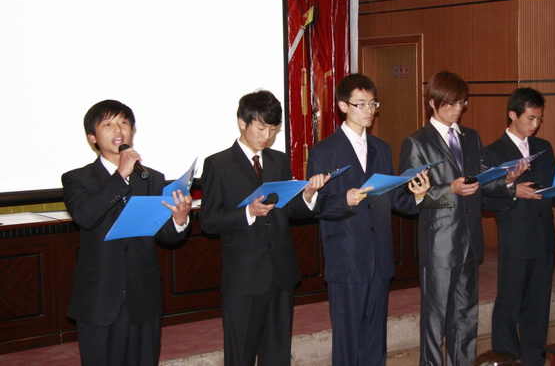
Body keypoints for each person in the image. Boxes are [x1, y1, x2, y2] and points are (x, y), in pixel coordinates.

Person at [306, 73, 430, 366]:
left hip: (379, 256)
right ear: (343, 106)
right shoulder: (324, 150)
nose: (369, 110)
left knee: (375, 340)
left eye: (373, 103)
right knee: (348, 342)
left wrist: (418, 196)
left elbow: (395, 199)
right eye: (361, 104)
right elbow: (315, 205)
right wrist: (343, 199)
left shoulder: (381, 148)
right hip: (347, 258)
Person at [398, 71, 521, 366]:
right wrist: (449, 190)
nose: (457, 110)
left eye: (461, 103)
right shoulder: (417, 143)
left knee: (466, 316)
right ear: (432, 103)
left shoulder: (470, 136)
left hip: (470, 240)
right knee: (435, 319)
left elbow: (482, 179)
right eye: (450, 104)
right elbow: (409, 197)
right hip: (439, 243)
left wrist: (506, 180)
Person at [200, 90, 327, 366]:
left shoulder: (278, 160)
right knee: (241, 355)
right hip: (244, 278)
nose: (267, 136)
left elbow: (288, 209)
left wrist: (307, 195)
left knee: (277, 354)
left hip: (281, 272)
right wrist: (247, 212)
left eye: (273, 129)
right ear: (242, 122)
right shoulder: (218, 164)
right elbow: (209, 221)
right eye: (261, 128)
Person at [62, 99, 192, 366]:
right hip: (99, 298)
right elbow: (85, 216)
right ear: (92, 137)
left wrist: (179, 220)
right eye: (108, 124)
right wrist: (120, 175)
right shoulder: (77, 179)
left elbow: (165, 235)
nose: (118, 129)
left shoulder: (152, 178)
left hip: (142, 296)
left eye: (124, 122)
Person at [484, 88, 555, 366]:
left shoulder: (543, 147)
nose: (535, 124)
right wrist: (512, 189)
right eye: (531, 118)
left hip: (545, 238)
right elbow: (484, 199)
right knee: (509, 305)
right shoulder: (492, 152)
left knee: (539, 306)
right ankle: (507, 360)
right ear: (513, 114)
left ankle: (534, 359)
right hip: (516, 238)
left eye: (539, 119)